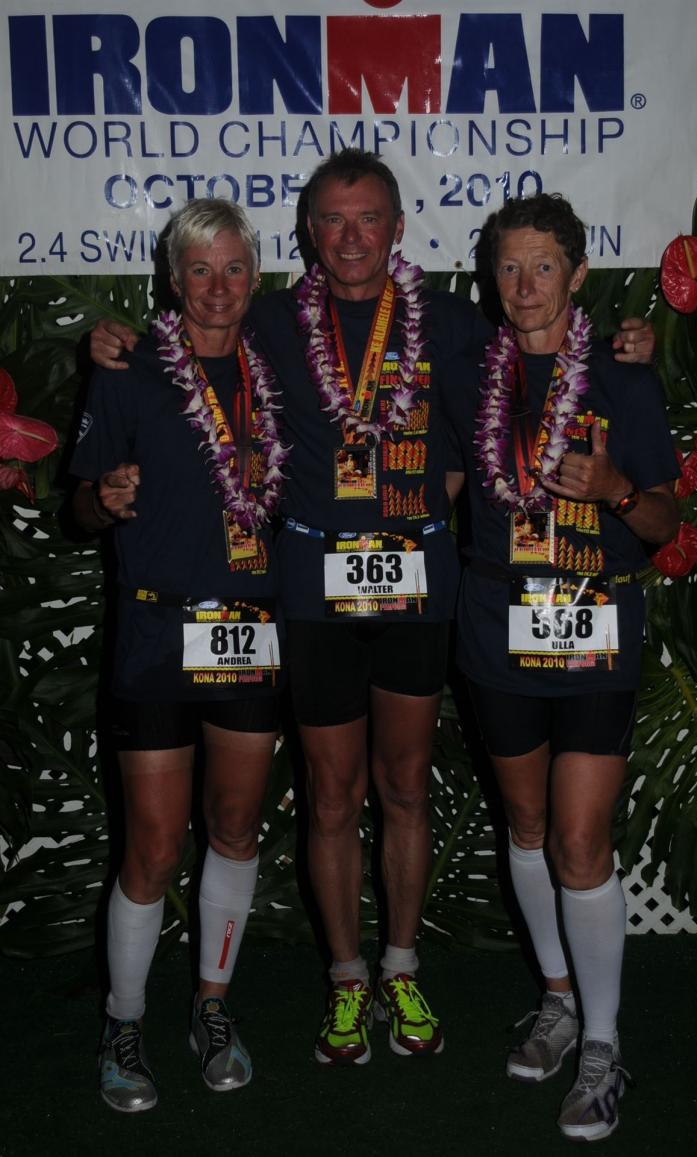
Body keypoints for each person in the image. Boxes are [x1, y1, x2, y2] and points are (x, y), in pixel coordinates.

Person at [89, 151, 657, 1069]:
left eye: (369, 218)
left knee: (403, 786)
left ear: (398, 226)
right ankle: (347, 977)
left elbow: (544, 363)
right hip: (311, 597)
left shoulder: (456, 322)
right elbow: (185, 336)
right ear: (309, 233)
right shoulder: (267, 319)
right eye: (332, 219)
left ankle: (401, 964)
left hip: (418, 595)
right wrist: (113, 339)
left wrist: (633, 341)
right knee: (330, 795)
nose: (351, 237)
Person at [444, 193, 679, 1141]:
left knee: (580, 838)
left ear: (578, 274)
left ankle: (603, 1046)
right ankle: (558, 998)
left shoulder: (623, 377)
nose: (526, 284)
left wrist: (617, 488)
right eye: (509, 266)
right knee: (530, 824)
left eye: (544, 265)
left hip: (595, 624)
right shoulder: (468, 372)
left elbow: (663, 522)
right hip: (496, 623)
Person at [72, 199, 289, 1111]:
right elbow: (80, 505)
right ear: (173, 280)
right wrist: (105, 498)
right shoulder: (129, 369)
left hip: (250, 629)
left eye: (233, 267)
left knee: (234, 826)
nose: (218, 286)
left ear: (255, 277)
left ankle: (211, 1004)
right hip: (158, 633)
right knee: (156, 845)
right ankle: (123, 1021)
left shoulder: (281, 364)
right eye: (199, 269)